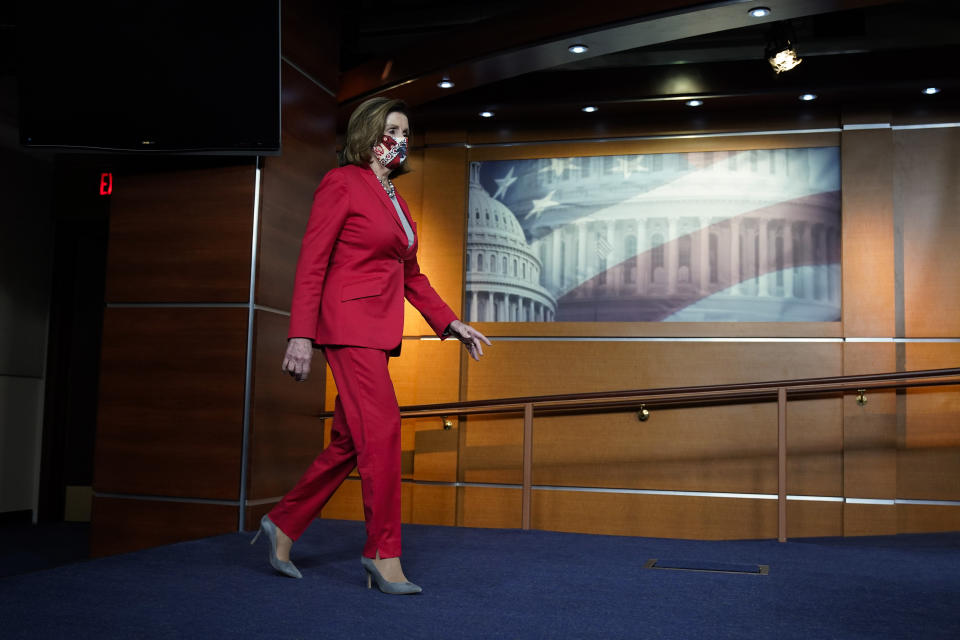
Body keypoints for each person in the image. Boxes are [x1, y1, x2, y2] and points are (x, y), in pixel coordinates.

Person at [251, 97, 491, 595]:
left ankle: (284, 523)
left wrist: (452, 323)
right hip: (347, 327)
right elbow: (313, 261)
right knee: (382, 434)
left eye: (406, 130)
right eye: (392, 128)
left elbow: (411, 275)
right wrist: (300, 334)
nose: (401, 138)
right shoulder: (343, 182)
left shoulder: (396, 200)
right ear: (369, 132)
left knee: (349, 442)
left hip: (377, 332)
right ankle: (383, 554)